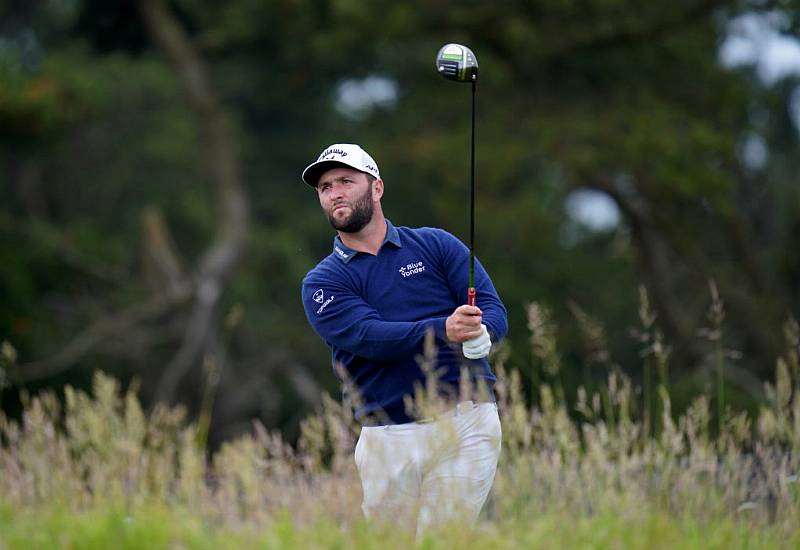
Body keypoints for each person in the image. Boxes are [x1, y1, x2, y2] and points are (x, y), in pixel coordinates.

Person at [300, 143, 508, 536]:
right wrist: (443, 330)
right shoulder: (323, 281)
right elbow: (368, 336)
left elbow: (493, 308)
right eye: (325, 187)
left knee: (440, 540)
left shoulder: (435, 244)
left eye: (346, 180)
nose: (335, 192)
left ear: (377, 188)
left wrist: (485, 333)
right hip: (388, 435)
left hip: (466, 422)